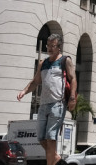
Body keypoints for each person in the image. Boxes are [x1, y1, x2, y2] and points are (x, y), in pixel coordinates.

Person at [17, 34, 77, 165]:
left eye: (52, 46)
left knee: (50, 138)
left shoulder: (65, 61)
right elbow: (35, 81)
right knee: (40, 138)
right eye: (48, 45)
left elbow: (73, 79)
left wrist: (72, 97)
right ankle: (57, 159)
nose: (49, 48)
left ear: (59, 47)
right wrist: (24, 91)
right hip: (43, 105)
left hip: (58, 104)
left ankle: (52, 162)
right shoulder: (43, 63)